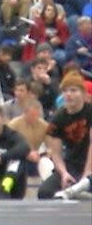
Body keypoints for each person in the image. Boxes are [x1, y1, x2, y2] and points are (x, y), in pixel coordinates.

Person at [40, 72, 92, 200]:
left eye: (74, 90)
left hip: (89, 164)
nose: (69, 94)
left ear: (83, 94)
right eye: (66, 91)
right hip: (72, 165)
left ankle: (76, 191)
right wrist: (64, 173)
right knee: (44, 192)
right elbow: (56, 153)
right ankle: (77, 192)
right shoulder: (58, 118)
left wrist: (87, 173)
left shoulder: (90, 111)